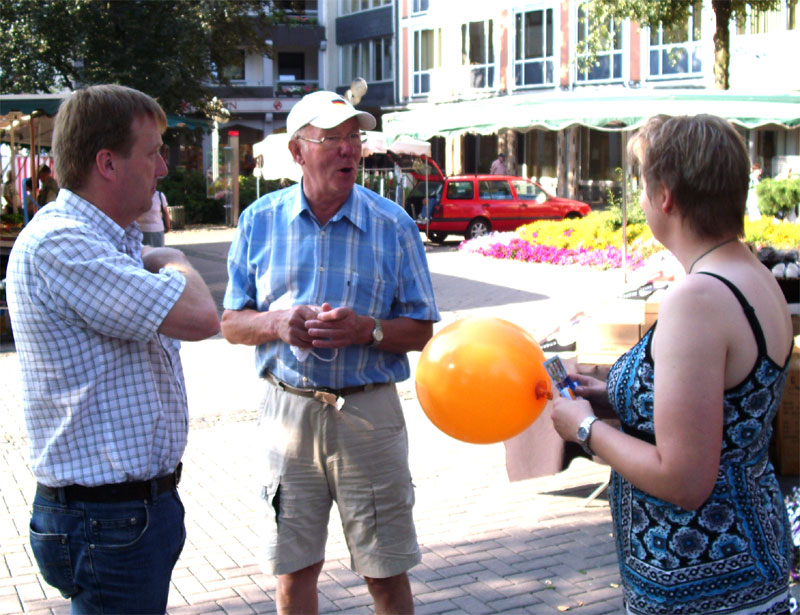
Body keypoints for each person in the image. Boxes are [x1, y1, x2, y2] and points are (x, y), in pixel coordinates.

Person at [550, 114, 794, 615]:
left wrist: (585, 427)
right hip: (749, 561)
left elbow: (684, 478)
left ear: (665, 195)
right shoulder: (753, 275)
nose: (640, 201)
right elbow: (723, 407)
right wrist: (610, 396)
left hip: (700, 584)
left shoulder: (698, 298)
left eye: (641, 185)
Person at [221, 90, 440, 615]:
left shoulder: (394, 224)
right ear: (298, 153)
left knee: (385, 571)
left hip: (368, 414)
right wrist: (275, 322)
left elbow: (423, 329)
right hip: (287, 411)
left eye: (354, 138)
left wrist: (369, 330)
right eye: (333, 139)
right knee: (294, 572)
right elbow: (230, 322)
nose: (349, 151)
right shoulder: (259, 221)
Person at [5, 84, 220, 614]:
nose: (163, 170)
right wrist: (171, 255)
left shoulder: (110, 242)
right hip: (107, 519)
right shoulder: (64, 244)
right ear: (107, 162)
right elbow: (200, 317)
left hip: (120, 514)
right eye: (153, 153)